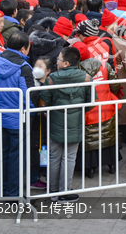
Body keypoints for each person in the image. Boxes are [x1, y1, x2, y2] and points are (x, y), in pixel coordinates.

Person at [39, 47, 94, 203]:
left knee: (54, 156)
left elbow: (44, 101)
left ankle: (53, 191)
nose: (56, 61)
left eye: (59, 59)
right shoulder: (86, 78)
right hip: (76, 122)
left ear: (66, 63)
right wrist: (79, 110)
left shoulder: (51, 79)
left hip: (55, 122)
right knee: (70, 158)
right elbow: (91, 102)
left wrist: (47, 112)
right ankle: (65, 191)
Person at [0, 31, 40, 196]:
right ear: (24, 48)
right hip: (20, 119)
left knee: (4, 154)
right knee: (16, 158)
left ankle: (2, 190)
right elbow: (29, 96)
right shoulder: (23, 67)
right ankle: (13, 193)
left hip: (2, 116)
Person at [72, 42, 121, 178]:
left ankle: (90, 167)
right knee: (108, 135)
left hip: (88, 110)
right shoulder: (104, 65)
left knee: (89, 138)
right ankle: (111, 165)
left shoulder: (75, 70)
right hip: (106, 108)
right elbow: (115, 84)